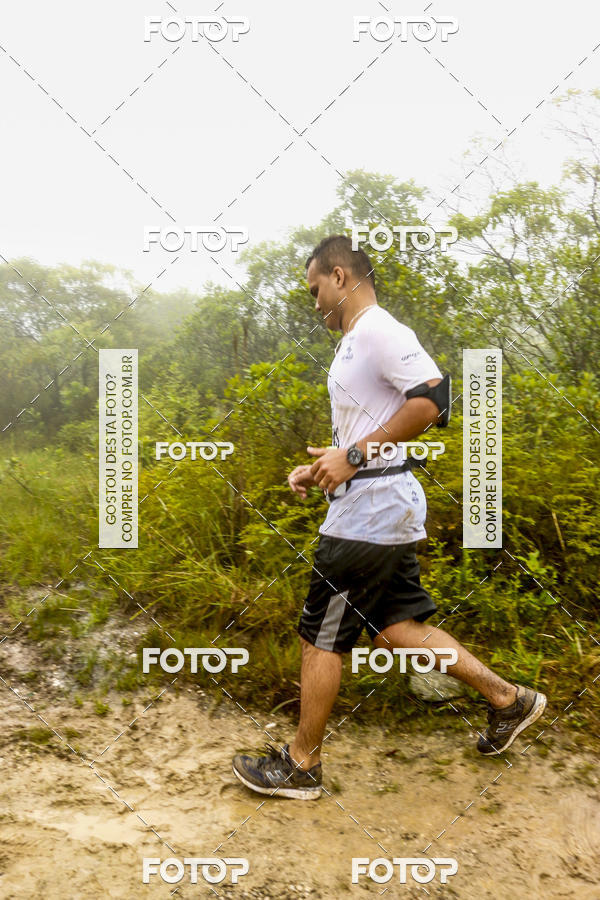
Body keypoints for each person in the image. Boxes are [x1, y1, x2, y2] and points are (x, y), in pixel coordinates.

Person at [232, 234, 546, 800]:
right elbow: (370, 431)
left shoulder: (380, 330)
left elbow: (433, 400)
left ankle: (302, 765)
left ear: (339, 276)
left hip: (368, 518)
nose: (314, 303)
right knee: (398, 628)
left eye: (314, 290)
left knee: (320, 638)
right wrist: (326, 466)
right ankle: (508, 699)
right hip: (377, 505)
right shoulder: (353, 342)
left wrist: (352, 458)